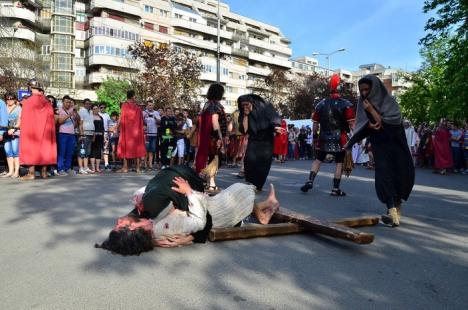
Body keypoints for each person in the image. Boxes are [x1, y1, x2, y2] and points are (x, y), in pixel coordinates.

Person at [95, 166, 280, 255]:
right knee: (242, 189)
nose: (118, 221)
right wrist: (189, 192)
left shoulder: (143, 223)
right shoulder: (164, 228)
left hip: (201, 208)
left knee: (214, 193)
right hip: (213, 216)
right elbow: (200, 221)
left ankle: (263, 209)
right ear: (133, 230)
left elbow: (149, 198)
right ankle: (264, 211)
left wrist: (142, 194)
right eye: (120, 226)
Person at [345, 74, 414, 227]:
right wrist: (350, 144)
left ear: (375, 88)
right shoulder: (363, 104)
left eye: (366, 89)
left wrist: (371, 110)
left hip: (396, 145)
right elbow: (364, 125)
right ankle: (392, 212)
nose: (363, 93)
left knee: (399, 176)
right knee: (384, 176)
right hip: (380, 146)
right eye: (361, 90)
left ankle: (396, 210)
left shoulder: (390, 103)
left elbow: (386, 124)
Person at [300, 74, 355, 196]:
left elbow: (315, 125)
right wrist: (356, 137)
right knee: (339, 162)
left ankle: (310, 181)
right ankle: (335, 189)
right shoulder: (346, 104)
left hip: (323, 137)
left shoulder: (321, 104)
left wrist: (314, 137)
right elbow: (352, 125)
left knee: (317, 160)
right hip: (340, 137)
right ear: (340, 89)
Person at [238, 94, 283, 192]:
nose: (245, 107)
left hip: (266, 140)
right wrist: (246, 115)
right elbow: (245, 130)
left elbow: (273, 118)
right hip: (253, 140)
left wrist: (276, 127)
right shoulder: (243, 113)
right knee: (249, 161)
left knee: (263, 164)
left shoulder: (265, 107)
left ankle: (258, 186)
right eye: (243, 105)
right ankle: (250, 184)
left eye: (247, 105)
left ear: (252, 103)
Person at [18, 79, 57, 180]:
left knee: (31, 148)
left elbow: (25, 119)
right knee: (45, 149)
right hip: (45, 131)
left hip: (32, 131)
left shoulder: (28, 102)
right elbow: (51, 119)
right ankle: (44, 173)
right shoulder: (47, 102)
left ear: (30, 88)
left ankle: (31, 174)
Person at [195, 83, 227, 191]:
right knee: (215, 160)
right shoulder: (215, 105)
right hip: (214, 138)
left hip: (207, 137)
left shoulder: (207, 104)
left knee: (210, 159)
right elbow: (215, 122)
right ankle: (211, 183)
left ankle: (206, 180)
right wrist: (220, 138)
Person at [116, 90, 146, 173]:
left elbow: (121, 118)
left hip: (127, 131)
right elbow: (141, 121)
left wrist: (116, 127)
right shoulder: (137, 107)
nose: (136, 97)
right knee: (137, 148)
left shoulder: (124, 106)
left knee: (125, 146)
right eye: (135, 96)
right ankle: (137, 168)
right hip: (136, 132)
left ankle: (125, 168)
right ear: (132, 96)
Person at [56, 95, 78, 176]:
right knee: (62, 152)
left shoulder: (72, 110)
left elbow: (75, 123)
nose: (68, 104)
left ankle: (68, 168)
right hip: (63, 134)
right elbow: (60, 122)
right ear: (63, 102)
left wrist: (75, 113)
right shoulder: (59, 110)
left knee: (70, 152)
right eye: (66, 102)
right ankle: (60, 169)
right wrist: (69, 115)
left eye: (69, 102)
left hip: (71, 134)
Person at [1, 93, 21, 178]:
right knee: (8, 152)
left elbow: (20, 121)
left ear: (15, 99)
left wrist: (14, 129)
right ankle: (10, 171)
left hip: (15, 132)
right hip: (5, 132)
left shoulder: (19, 108)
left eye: (11, 99)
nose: (9, 100)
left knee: (16, 152)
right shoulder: (3, 107)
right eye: (7, 99)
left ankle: (16, 171)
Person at [78, 98, 94, 174]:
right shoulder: (81, 111)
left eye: (89, 103)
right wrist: (81, 134)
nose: (88, 105)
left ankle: (86, 167)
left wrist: (93, 134)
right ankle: (81, 168)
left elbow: (91, 123)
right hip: (84, 134)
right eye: (87, 103)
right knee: (82, 151)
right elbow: (80, 123)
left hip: (90, 134)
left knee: (87, 152)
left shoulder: (91, 112)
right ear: (84, 104)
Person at [143, 100, 160, 170]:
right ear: (147, 106)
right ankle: (145, 164)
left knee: (151, 150)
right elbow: (140, 122)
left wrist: (155, 117)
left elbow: (159, 122)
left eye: (152, 105)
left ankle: (150, 165)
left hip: (154, 134)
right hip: (146, 134)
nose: (151, 106)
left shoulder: (156, 112)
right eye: (149, 105)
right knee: (145, 150)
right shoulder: (144, 112)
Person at [90, 104, 104, 173]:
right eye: (94, 109)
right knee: (92, 151)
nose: (96, 110)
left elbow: (102, 128)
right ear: (92, 109)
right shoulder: (90, 117)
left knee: (98, 151)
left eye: (97, 108)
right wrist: (93, 135)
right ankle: (93, 168)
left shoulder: (100, 117)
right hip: (93, 135)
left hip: (100, 136)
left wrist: (103, 135)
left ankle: (97, 168)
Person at [98, 103, 112, 171]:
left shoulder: (107, 115)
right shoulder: (97, 114)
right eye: (101, 107)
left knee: (106, 149)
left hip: (106, 133)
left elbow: (109, 125)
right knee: (97, 149)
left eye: (104, 107)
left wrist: (109, 133)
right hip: (99, 133)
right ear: (99, 107)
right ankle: (97, 165)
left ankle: (106, 164)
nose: (103, 108)